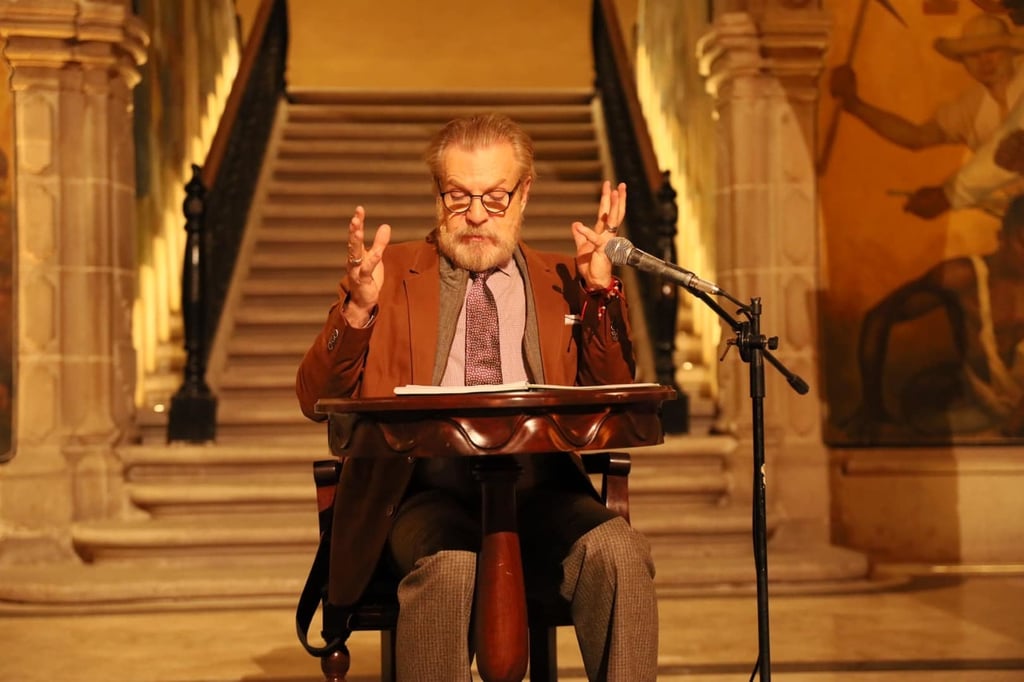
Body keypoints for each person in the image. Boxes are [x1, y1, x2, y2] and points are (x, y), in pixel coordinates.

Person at [295, 113, 658, 681]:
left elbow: (609, 382)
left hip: (542, 486)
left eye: (494, 196)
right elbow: (316, 396)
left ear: (524, 194)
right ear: (437, 194)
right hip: (423, 490)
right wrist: (358, 311)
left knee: (620, 554)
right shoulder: (387, 272)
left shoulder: (562, 274)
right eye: (458, 195)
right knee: (451, 563)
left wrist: (598, 292)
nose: (475, 215)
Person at [847, 192, 1024, 441]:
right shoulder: (963, 277)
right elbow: (878, 317)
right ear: (1002, 236)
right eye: (1023, 243)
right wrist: (873, 405)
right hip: (981, 410)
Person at [829, 13, 1024, 218]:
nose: (985, 62)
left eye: (992, 50)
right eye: (974, 54)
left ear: (1010, 51)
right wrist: (855, 104)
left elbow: (1013, 138)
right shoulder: (971, 107)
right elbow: (917, 137)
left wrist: (947, 196)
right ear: (964, 62)